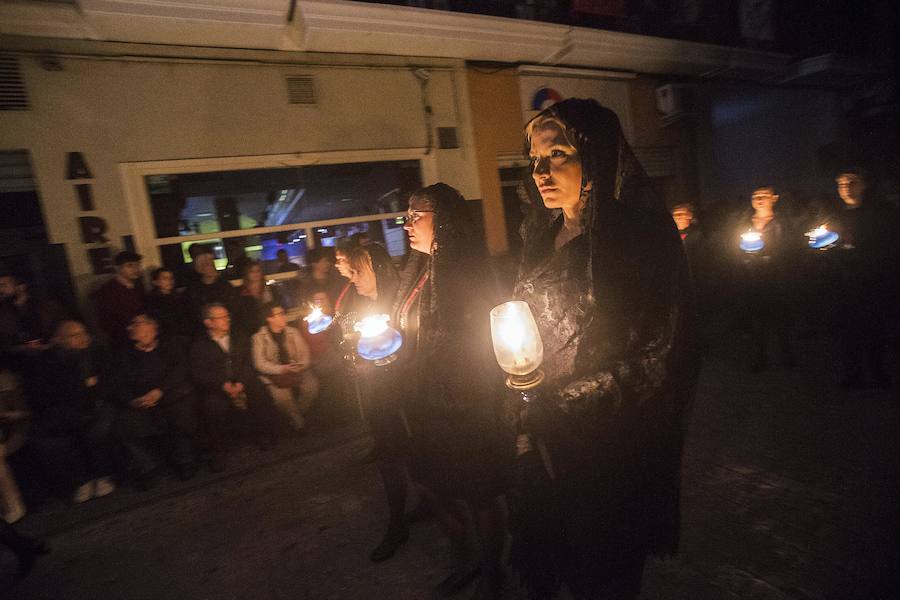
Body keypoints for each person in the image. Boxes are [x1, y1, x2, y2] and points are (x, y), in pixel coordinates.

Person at [510, 99, 700, 599]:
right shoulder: (540, 235)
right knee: (558, 551)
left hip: (612, 438)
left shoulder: (638, 239)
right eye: (535, 161)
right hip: (547, 431)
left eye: (558, 154)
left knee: (604, 563)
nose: (542, 172)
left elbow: (659, 352)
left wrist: (569, 400)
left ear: (594, 157)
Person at [394, 184, 507, 599]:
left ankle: (493, 574)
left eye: (416, 215)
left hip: (468, 404)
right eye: (405, 215)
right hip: (424, 402)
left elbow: (483, 338)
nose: (407, 224)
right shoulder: (417, 269)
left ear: (443, 219)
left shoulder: (467, 270)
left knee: (479, 492)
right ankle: (469, 559)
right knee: (437, 486)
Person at [338, 243, 410, 562]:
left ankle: (407, 517)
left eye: (358, 271)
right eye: (351, 270)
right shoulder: (354, 299)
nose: (352, 277)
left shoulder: (399, 301)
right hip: (373, 393)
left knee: (411, 454)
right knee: (387, 455)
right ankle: (398, 517)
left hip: (403, 394)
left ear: (378, 269)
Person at [26, 321, 117, 503]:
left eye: (83, 332)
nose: (82, 337)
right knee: (48, 441)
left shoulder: (97, 353)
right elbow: (47, 393)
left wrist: (87, 389)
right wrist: (85, 385)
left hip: (97, 404)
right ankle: (81, 480)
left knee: (97, 432)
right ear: (59, 340)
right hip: (63, 410)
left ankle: (102, 475)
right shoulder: (47, 361)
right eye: (75, 335)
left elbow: (108, 382)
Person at [826, 168, 896, 388]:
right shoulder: (834, 216)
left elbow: (888, 245)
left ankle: (877, 371)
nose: (846, 187)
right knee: (849, 329)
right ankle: (852, 371)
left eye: (851, 182)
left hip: (872, 279)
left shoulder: (879, 213)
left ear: (863, 185)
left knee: (875, 327)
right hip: (844, 282)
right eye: (841, 184)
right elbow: (826, 244)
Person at [189, 303, 277, 472]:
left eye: (226, 316)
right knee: (213, 407)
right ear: (209, 322)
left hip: (242, 380)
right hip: (217, 387)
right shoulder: (200, 345)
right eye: (221, 317)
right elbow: (199, 372)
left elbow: (247, 362)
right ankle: (219, 451)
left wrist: (241, 382)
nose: (226, 319)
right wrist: (222, 384)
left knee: (260, 394)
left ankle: (263, 435)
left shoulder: (239, 337)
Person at [114, 315, 198, 488]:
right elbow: (118, 383)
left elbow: (180, 370)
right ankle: (148, 467)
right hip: (141, 401)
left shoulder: (170, 346)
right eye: (136, 325)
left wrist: (159, 391)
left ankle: (185, 460)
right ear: (131, 333)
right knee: (124, 426)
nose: (140, 329)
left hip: (170, 394)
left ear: (154, 329)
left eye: (144, 325)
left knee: (181, 415)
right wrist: (133, 400)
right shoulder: (124, 355)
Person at [735, 185, 798, 372]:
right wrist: (745, 258)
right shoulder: (744, 222)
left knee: (780, 318)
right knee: (757, 320)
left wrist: (773, 258)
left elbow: (791, 247)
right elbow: (733, 245)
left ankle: (786, 355)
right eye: (755, 196)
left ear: (774, 198)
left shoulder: (781, 222)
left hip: (777, 277)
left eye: (764, 195)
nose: (759, 199)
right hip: (752, 278)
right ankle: (759, 357)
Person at [251, 302, 318, 433]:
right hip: (275, 374)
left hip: (297, 369)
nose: (284, 317)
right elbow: (259, 363)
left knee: (311, 387)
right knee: (282, 399)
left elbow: (305, 353)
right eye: (279, 314)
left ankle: (295, 418)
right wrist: (281, 369)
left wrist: (299, 366)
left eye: (283, 313)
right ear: (269, 318)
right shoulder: (259, 338)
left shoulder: (293, 332)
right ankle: (300, 424)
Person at [91, 251, 146, 348]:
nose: (135, 269)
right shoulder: (107, 291)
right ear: (118, 268)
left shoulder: (139, 287)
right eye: (130, 266)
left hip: (143, 336)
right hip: (122, 341)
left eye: (137, 265)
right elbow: (105, 323)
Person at [184, 250, 238, 332]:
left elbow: (233, 307)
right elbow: (193, 313)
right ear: (200, 269)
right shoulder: (194, 290)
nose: (213, 267)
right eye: (208, 265)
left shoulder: (225, 286)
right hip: (202, 330)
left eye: (213, 263)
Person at [0, 369, 28, 523]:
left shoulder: (5, 380)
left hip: (13, 429)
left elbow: (22, 412)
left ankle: (13, 504)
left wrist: (5, 415)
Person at [145, 268, 192, 346]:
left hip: (183, 336)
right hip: (164, 339)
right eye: (165, 278)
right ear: (156, 282)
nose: (169, 281)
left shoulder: (180, 297)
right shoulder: (151, 300)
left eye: (171, 278)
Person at [233, 260, 275, 340]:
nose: (255, 274)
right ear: (246, 274)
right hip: (249, 331)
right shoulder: (241, 292)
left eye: (258, 271)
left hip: (270, 327)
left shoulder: (270, 290)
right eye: (252, 271)